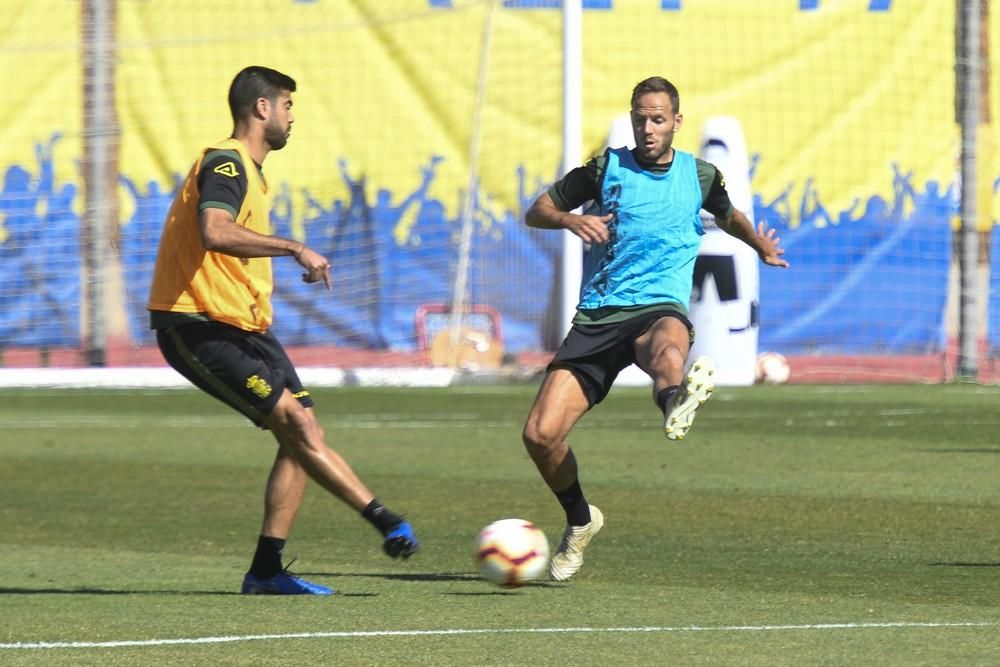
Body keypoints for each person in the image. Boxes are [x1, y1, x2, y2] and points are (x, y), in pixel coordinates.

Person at [147, 66, 419, 596]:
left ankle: (266, 572)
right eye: (289, 105)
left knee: (303, 434)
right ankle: (384, 519)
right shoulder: (226, 161)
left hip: (245, 328)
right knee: (294, 421)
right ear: (263, 108)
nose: (294, 117)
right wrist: (294, 246)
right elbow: (215, 231)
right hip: (197, 325)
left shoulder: (252, 171)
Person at [522, 76, 788, 582]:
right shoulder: (606, 168)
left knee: (667, 350)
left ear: (676, 122)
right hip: (600, 314)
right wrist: (569, 221)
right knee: (540, 435)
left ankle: (676, 399)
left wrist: (759, 245)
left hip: (659, 304)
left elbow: (729, 216)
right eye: (640, 118)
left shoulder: (700, 175)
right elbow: (538, 210)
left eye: (658, 119)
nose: (648, 128)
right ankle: (581, 520)